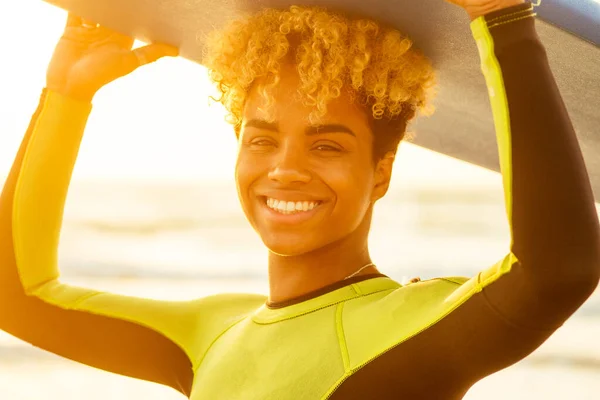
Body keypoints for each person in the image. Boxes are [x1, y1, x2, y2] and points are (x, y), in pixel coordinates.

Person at [1, 0, 598, 398]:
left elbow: (557, 269)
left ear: (381, 172)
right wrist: (64, 96)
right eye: (261, 139)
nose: (284, 170)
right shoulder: (210, 331)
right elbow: (18, 296)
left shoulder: (407, 332)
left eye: (327, 147)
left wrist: (504, 23)